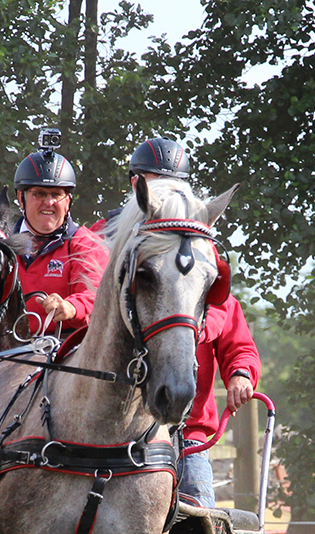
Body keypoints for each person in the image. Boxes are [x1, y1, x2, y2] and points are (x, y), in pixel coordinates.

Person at [94, 137, 261, 507]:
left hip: (188, 433)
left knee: (200, 518)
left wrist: (241, 374)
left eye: (171, 184)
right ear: (135, 185)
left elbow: (238, 339)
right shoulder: (101, 239)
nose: (161, 193)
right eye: (152, 182)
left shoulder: (201, 261)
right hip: (107, 434)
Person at [12, 134, 109, 339]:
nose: (49, 203)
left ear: (68, 202)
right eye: (39, 194)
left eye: (56, 195)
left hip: (61, 350)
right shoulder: (1, 241)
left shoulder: (86, 243)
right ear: (21, 198)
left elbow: (96, 295)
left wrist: (71, 307)